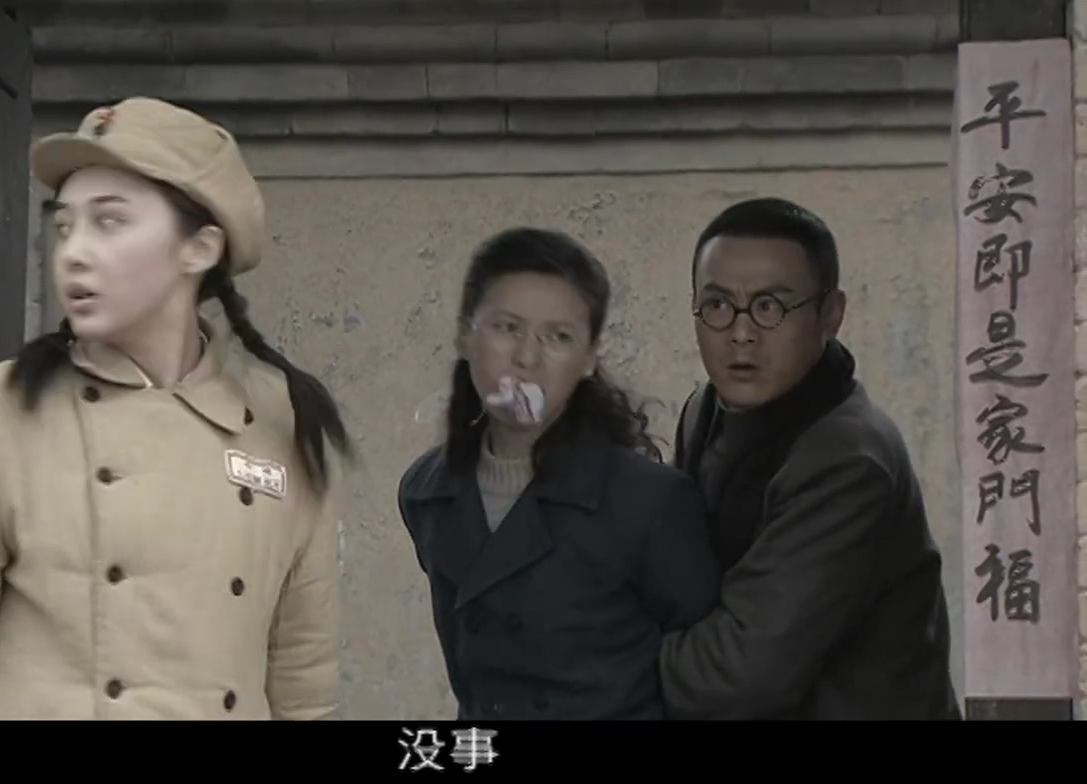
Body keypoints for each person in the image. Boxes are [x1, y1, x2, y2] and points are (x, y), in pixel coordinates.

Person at [0, 97, 352, 720]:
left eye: (109, 222)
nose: (74, 252)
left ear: (199, 248)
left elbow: (304, 694)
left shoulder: (283, 424)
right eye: (64, 227)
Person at [397, 227, 720, 721]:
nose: (527, 358)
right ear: (465, 335)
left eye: (559, 337)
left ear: (589, 358)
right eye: (506, 327)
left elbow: (706, 674)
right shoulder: (426, 492)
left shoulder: (651, 503)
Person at [660, 196, 961, 720]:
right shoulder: (704, 410)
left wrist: (593, 654)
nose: (741, 333)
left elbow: (739, 677)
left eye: (770, 307)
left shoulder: (848, 461)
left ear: (830, 314)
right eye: (718, 305)